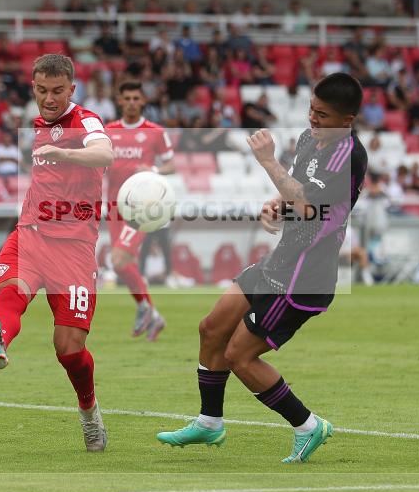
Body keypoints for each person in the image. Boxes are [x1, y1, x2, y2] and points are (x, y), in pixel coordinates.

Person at [156, 73, 367, 463]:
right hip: (280, 261)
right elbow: (296, 191)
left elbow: (307, 205)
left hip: (305, 277)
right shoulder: (309, 140)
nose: (312, 119)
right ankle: (209, 422)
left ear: (347, 119)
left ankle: (307, 426)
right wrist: (276, 204)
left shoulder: (349, 156)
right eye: (311, 110)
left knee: (240, 356)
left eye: (322, 114)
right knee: (212, 327)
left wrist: (268, 162)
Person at [0, 54, 113, 453]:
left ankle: (89, 411)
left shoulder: (84, 121)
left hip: (73, 250)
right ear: (33, 88)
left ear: (72, 89)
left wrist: (68, 154)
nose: (49, 99)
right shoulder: (36, 122)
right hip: (30, 236)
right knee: (11, 294)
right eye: (41, 91)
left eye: (57, 91)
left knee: (68, 349)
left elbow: (104, 153)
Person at [105, 82, 175, 341]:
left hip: (141, 209)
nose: (132, 102)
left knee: (119, 260)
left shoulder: (155, 132)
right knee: (124, 265)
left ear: (143, 100)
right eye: (128, 98)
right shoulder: (108, 131)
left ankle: (147, 310)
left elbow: (172, 164)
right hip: (114, 207)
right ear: (120, 101)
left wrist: (152, 170)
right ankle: (152, 315)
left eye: (137, 98)